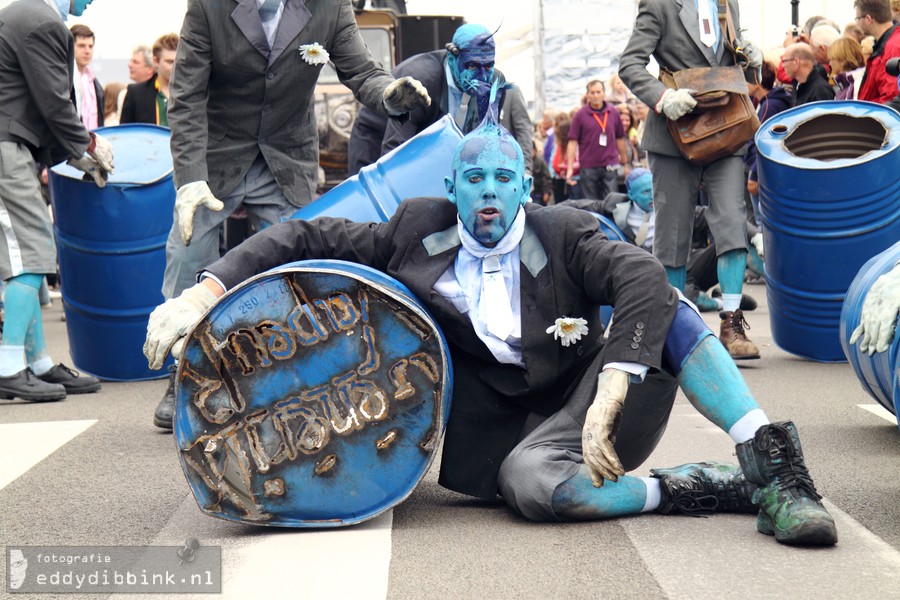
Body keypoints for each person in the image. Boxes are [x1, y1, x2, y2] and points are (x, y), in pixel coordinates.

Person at [144, 86, 837, 546]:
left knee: (668, 301)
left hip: (607, 400)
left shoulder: (565, 229)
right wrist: (203, 294)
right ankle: (696, 488)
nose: (488, 194)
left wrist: (618, 380)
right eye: (473, 179)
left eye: (503, 181)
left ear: (523, 188)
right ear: (452, 187)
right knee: (534, 492)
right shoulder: (412, 232)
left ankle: (774, 467)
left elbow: (640, 278)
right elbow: (303, 236)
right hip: (521, 439)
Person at [150, 0, 431, 431]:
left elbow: (363, 72)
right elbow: (186, 94)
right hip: (216, 153)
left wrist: (389, 94)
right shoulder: (208, 6)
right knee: (190, 249)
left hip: (285, 153)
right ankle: (180, 374)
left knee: (290, 268)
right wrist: (189, 178)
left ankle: (269, 375)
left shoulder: (330, 7)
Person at [619, 0, 764, 361]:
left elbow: (734, 61)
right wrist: (663, 97)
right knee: (673, 233)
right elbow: (630, 64)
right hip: (674, 134)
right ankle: (676, 327)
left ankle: (732, 324)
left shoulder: (728, 4)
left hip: (727, 127)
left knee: (732, 222)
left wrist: (752, 61)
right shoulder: (658, 4)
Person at [0, 0, 113, 402]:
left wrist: (76, 151)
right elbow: (52, 101)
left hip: (12, 145)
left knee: (21, 257)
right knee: (32, 254)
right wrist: (88, 145)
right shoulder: (41, 20)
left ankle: (39, 362)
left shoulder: (23, 13)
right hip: (7, 147)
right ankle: (9, 367)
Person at [347, 24, 533, 176]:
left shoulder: (494, 83)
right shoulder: (421, 80)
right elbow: (395, 152)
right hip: (377, 138)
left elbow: (487, 143)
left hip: (434, 147)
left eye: (488, 66)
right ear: (452, 58)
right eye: (472, 66)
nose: (482, 77)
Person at [746, 60, 791, 234]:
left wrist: (755, 173)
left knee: (761, 222)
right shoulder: (766, 102)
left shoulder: (769, 105)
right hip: (759, 167)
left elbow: (765, 142)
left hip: (762, 170)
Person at [565, 80, 629, 200]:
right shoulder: (580, 115)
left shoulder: (613, 112)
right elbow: (572, 142)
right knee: (590, 204)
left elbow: (620, 138)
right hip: (588, 167)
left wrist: (625, 163)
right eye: (592, 93)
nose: (595, 96)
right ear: (587, 95)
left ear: (604, 93)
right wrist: (570, 168)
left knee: (611, 202)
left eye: (598, 92)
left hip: (610, 165)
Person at [120, 33, 178, 126]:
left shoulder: (192, 93)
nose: (176, 67)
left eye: (179, 61)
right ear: (156, 61)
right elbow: (125, 134)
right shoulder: (135, 93)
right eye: (170, 62)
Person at [856, 0, 900, 104]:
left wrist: (866, 112)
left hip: (881, 117)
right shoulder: (885, 44)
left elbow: (891, 96)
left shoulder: (892, 47)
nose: (856, 23)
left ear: (868, 19)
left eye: (858, 18)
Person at [69, 23, 104, 130]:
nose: (87, 51)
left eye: (90, 46)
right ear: (70, 47)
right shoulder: (64, 79)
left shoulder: (95, 83)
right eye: (81, 46)